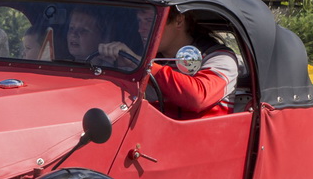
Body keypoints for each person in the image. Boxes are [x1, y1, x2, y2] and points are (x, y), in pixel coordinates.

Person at [98, 8, 239, 119]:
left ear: (178, 21)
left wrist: (143, 65)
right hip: (152, 144)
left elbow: (197, 97)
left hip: (204, 147)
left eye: (149, 21)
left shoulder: (220, 57)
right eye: (139, 21)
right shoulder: (148, 58)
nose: (141, 29)